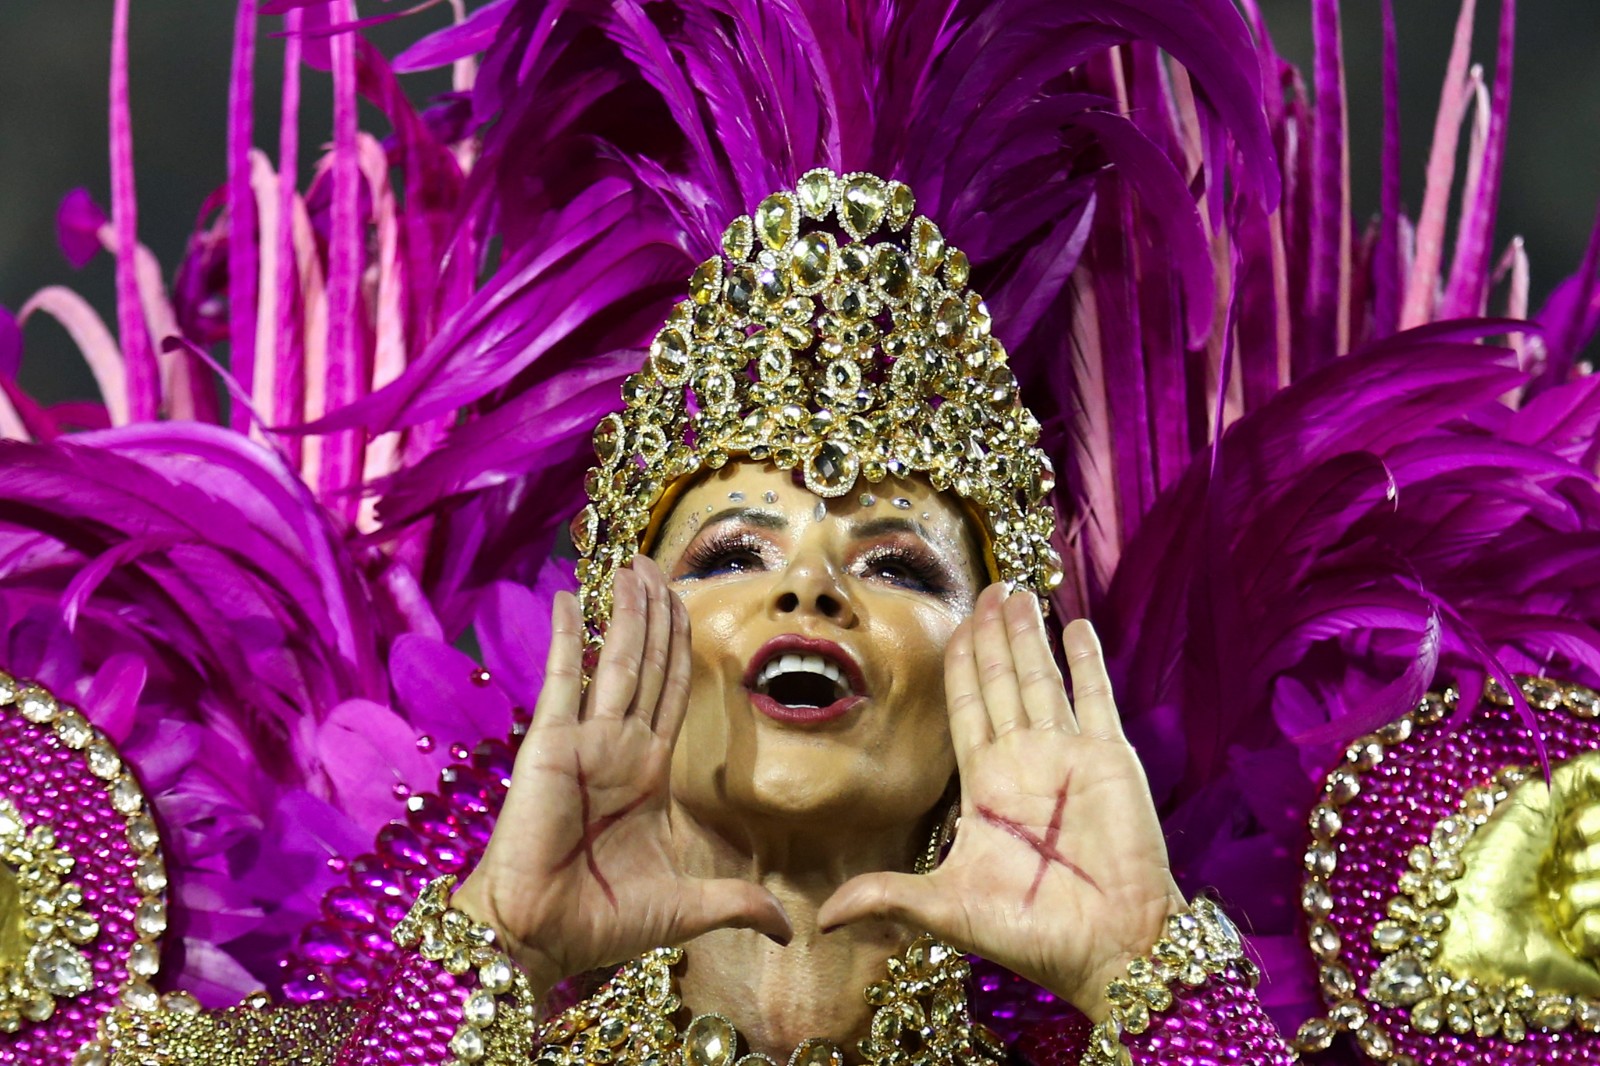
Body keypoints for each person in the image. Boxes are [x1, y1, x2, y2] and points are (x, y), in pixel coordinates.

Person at [5, 2, 1600, 1065]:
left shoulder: (1139, 1000)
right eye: (730, 551)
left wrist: (1140, 970)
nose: (813, 586)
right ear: (617, 636)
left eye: (899, 560)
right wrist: (494, 953)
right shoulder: (400, 951)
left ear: (999, 673)